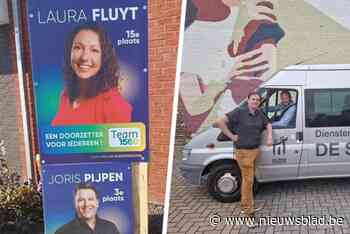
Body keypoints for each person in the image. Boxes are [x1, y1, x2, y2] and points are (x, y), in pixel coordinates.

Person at [52, 24, 132, 126]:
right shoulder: (66, 95)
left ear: (104, 57)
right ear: (70, 52)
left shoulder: (114, 105)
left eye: (94, 50)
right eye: (78, 47)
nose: (84, 57)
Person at [214, 92, 272, 227]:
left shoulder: (259, 113)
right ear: (247, 100)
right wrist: (232, 136)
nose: (255, 102)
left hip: (255, 151)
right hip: (243, 152)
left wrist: (270, 136)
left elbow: (268, 123)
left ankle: (245, 204)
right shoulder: (239, 112)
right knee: (248, 181)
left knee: (249, 180)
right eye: (253, 99)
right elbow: (219, 122)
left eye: (257, 100)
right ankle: (248, 214)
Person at [55, 184, 120, 234]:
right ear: (75, 203)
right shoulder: (62, 232)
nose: (86, 204)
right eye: (81, 200)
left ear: (97, 202)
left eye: (90, 199)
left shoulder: (110, 228)